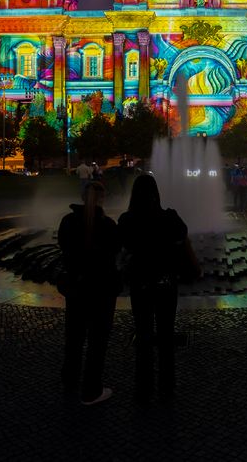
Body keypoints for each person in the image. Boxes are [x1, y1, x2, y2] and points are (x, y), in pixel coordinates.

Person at [118, 174, 190, 401]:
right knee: (166, 334)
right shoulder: (169, 217)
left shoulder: (127, 220)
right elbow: (182, 235)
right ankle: (167, 386)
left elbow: (124, 244)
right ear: (156, 193)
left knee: (144, 333)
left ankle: (144, 386)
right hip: (166, 283)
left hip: (141, 284)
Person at [57, 181, 121, 405]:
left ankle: (70, 379)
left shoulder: (67, 222)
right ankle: (91, 389)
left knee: (74, 335)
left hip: (76, 288)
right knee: (97, 340)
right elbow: (114, 253)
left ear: (82, 197)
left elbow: (64, 248)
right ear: (102, 199)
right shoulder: (108, 225)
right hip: (101, 290)